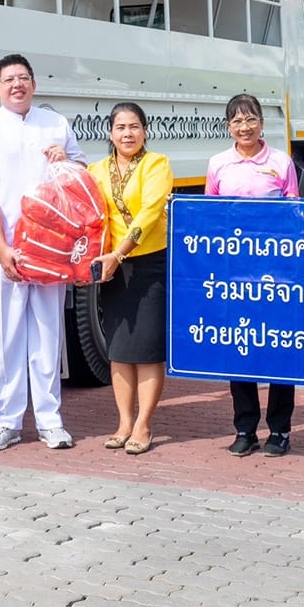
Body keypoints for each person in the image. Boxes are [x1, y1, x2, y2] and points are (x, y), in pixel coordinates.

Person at [0, 53, 88, 451]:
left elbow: (81, 176)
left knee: (48, 331)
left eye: (23, 78)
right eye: (9, 79)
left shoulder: (56, 124)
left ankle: (50, 420)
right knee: (6, 335)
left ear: (34, 84)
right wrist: (1, 249)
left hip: (51, 248)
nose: (17, 84)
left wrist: (65, 159)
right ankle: (8, 420)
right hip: (8, 249)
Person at [206, 93, 301, 457]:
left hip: (275, 273)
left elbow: (295, 215)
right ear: (228, 126)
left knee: (280, 346)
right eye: (237, 121)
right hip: (235, 273)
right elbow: (210, 221)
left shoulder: (281, 161)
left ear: (262, 122)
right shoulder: (218, 164)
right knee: (239, 346)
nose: (244, 128)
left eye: (251, 120)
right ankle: (245, 427)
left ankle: (280, 429)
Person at [90, 102, 173, 456]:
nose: (128, 133)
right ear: (110, 132)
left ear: (145, 131)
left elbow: (150, 213)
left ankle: (144, 424)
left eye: (134, 126)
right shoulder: (96, 170)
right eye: (121, 127)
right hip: (111, 266)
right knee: (120, 348)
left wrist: (119, 253)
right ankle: (124, 421)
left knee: (148, 349)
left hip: (147, 261)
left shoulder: (157, 164)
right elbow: (89, 215)